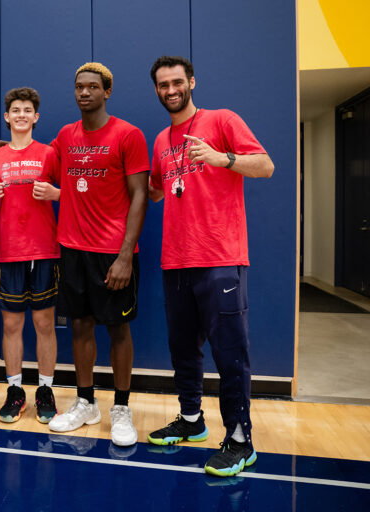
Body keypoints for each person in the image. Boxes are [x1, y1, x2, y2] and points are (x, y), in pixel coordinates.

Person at [146, 55, 274, 477]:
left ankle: (240, 440)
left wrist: (223, 160)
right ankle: (191, 419)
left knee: (229, 352)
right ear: (157, 90)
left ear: (192, 83)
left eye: (177, 82)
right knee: (183, 348)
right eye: (163, 84)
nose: (171, 90)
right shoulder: (161, 140)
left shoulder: (221, 120)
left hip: (220, 258)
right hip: (175, 261)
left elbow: (266, 166)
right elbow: (157, 191)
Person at [44, 63, 149, 447]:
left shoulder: (128, 135)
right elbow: (38, 158)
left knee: (118, 330)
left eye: (92, 87)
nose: (84, 92)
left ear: (107, 91)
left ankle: (121, 408)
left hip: (112, 253)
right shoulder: (65, 136)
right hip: (72, 250)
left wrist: (124, 256)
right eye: (79, 86)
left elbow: (140, 195)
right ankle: (86, 402)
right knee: (80, 326)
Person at [0, 87, 61, 424]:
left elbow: (70, 195)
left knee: (44, 324)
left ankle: (45, 389)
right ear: (7, 116)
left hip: (44, 249)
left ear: (36, 116)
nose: (21, 115)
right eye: (16, 110)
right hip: (9, 251)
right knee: (11, 324)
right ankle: (15, 391)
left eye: (28, 110)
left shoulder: (50, 153)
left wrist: (54, 193)